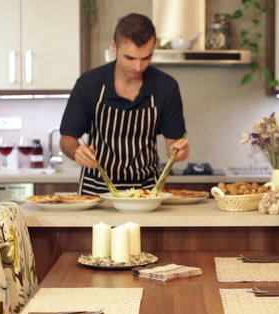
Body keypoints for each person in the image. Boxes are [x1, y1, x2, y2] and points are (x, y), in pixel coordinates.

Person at [59, 13, 189, 194]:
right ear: (114, 47)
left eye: (146, 58)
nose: (138, 67)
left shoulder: (166, 86)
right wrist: (76, 151)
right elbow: (67, 140)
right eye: (130, 58)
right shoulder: (89, 84)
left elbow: (173, 144)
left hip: (146, 191)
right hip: (96, 191)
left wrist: (178, 151)